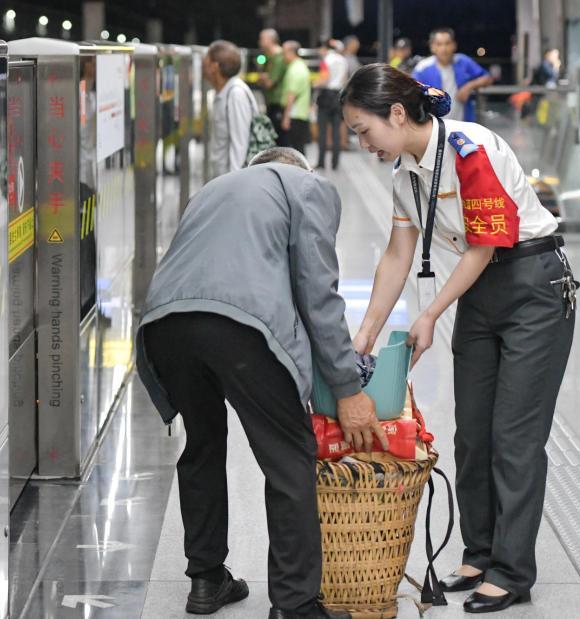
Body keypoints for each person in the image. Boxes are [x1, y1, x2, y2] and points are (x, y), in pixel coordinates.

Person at [341, 64, 575, 613]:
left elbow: (485, 246)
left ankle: (513, 571)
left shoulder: (472, 149)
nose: (363, 143)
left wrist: (430, 314)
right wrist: (365, 336)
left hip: (533, 286)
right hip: (478, 293)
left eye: (364, 130)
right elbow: (398, 256)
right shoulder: (406, 175)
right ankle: (480, 550)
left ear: (397, 114)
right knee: (472, 432)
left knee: (514, 437)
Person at [135, 147, 387, 619]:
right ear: (300, 169)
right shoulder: (307, 187)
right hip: (240, 328)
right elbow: (317, 293)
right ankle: (295, 605)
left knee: (203, 444)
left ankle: (207, 580)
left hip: (165, 324)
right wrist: (348, 387)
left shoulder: (215, 189)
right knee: (289, 460)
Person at [413, 28, 492, 122]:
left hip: (463, 124)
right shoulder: (423, 68)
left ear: (454, 45)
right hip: (434, 126)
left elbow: (487, 78)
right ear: (432, 47)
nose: (444, 48)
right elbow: (410, 90)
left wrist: (469, 86)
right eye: (439, 44)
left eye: (447, 43)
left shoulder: (463, 61)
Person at [204, 40, 256, 177]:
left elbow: (240, 144)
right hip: (221, 178)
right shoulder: (221, 92)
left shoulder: (235, 94)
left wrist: (233, 185)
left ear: (215, 66)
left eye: (206, 60)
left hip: (230, 182)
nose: (203, 65)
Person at [315, 39, 349, 169]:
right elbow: (345, 79)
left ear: (325, 48)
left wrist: (313, 84)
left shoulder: (326, 60)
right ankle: (335, 163)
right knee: (336, 132)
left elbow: (324, 79)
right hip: (338, 96)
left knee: (322, 131)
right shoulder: (342, 60)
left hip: (326, 96)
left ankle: (321, 162)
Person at [280, 41, 312, 154]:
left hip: (295, 115)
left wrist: (286, 117)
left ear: (290, 52)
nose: (282, 55)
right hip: (300, 114)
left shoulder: (296, 69)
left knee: (295, 151)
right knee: (298, 148)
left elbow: (291, 95)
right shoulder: (299, 66)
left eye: (283, 52)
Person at [258, 29, 287, 138]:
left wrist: (264, 79)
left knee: (279, 138)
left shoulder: (279, 57)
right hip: (271, 102)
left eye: (262, 39)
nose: (259, 42)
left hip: (278, 103)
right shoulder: (268, 56)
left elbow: (270, 83)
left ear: (271, 40)